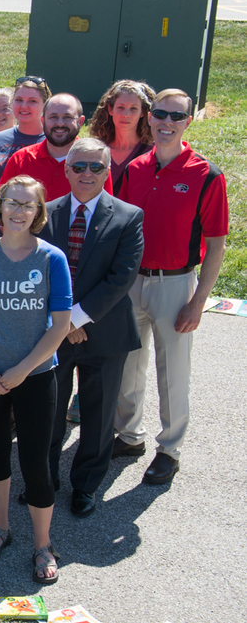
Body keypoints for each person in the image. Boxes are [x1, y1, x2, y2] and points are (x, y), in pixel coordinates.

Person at [114, 89, 229, 485]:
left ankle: (170, 449)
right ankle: (129, 435)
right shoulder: (135, 168)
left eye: (176, 116)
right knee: (128, 364)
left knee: (173, 371)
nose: (166, 122)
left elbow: (216, 244)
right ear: (149, 118)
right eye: (159, 114)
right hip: (132, 280)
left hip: (176, 283)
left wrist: (198, 301)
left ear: (188, 122)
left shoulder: (206, 175)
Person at [0, 175, 72, 584]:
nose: (19, 211)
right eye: (13, 203)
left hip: (37, 375)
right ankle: (1, 527)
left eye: (29, 205)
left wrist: (23, 369)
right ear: (0, 207)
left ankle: (43, 544)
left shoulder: (52, 259)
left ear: (39, 213)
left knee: (36, 461)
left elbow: (60, 325)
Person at [35, 138, 144, 516]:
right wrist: (63, 323)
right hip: (53, 335)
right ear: (66, 170)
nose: (86, 174)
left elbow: (121, 278)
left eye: (96, 167)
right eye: (78, 166)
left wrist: (75, 319)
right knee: (48, 410)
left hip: (105, 332)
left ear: (107, 170)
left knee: (98, 417)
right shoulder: (45, 214)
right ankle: (43, 480)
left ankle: (86, 486)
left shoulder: (129, 216)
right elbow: (38, 273)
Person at [0, 76, 50, 188]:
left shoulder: (52, 143)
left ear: (45, 105)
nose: (24, 106)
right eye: (19, 100)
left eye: (32, 101)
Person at [87, 80, 155, 194]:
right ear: (110, 109)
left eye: (133, 108)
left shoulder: (153, 153)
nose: (126, 114)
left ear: (143, 112)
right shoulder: (94, 150)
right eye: (120, 107)